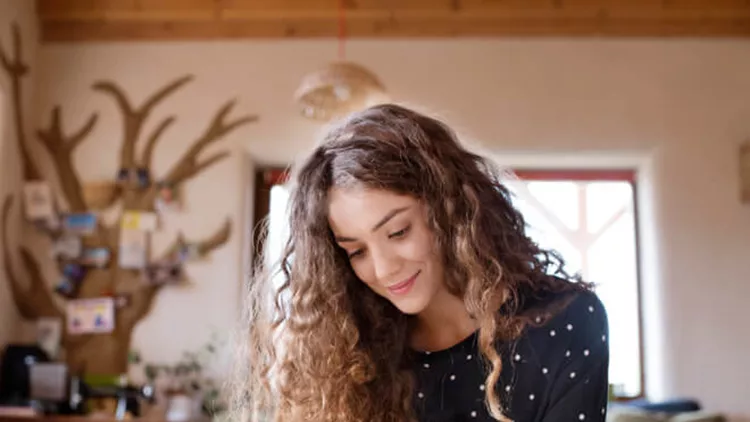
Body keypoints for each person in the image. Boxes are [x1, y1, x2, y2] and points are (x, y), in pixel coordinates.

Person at [233, 104, 610, 422]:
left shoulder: (567, 321)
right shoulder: (349, 354)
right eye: (356, 251)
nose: (383, 270)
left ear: (452, 211)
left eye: (398, 232)